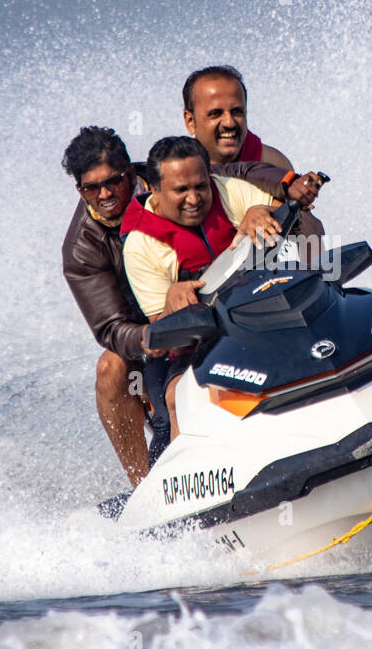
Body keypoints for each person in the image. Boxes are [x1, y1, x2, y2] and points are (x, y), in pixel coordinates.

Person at [61, 126, 322, 486]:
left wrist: (275, 194)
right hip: (156, 336)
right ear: (80, 190)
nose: (106, 193)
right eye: (92, 187)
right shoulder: (83, 250)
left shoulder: (177, 177)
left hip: (234, 305)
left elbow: (235, 173)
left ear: (135, 175)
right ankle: (146, 488)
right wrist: (169, 319)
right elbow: (111, 329)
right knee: (113, 368)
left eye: (115, 181)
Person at [122, 135, 327, 433]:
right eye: (181, 190)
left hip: (263, 321)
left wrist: (261, 211)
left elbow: (294, 218)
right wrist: (172, 302)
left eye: (200, 186)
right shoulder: (141, 245)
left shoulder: (227, 190)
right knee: (178, 396)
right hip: (196, 350)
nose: (194, 199)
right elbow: (162, 334)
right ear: (155, 190)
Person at [182, 64, 325, 247]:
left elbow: (311, 234)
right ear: (190, 121)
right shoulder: (173, 171)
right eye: (216, 113)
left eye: (237, 112)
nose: (229, 122)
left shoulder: (271, 162)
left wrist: (269, 212)